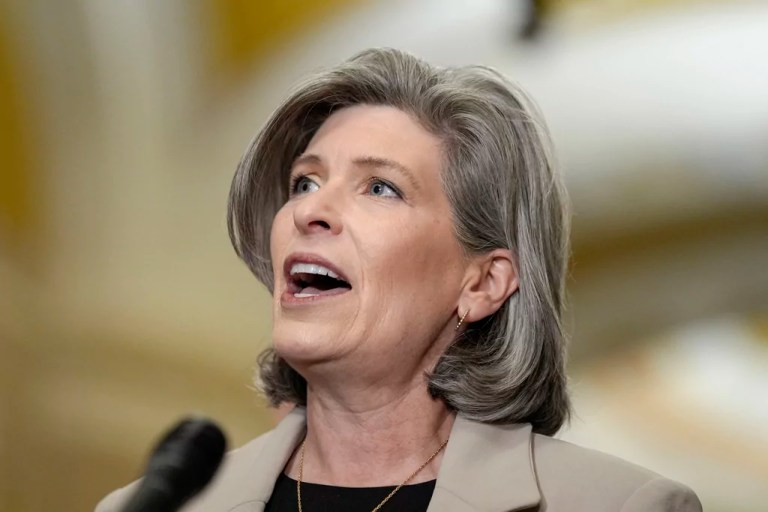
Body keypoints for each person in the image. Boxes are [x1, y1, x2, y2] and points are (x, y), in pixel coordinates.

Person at [96, 48, 702, 512]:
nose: (309, 210)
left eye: (380, 188)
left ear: (483, 284)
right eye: (305, 182)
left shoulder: (624, 505)